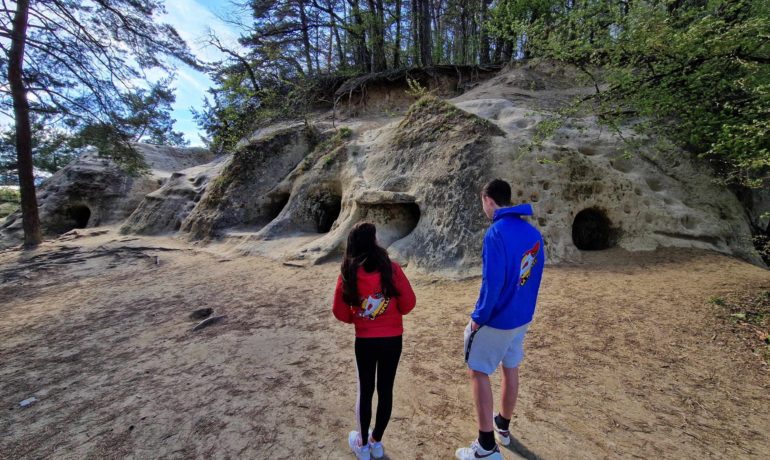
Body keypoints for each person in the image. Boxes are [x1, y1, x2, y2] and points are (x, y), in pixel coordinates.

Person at [456, 179, 545, 460]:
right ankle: (502, 427)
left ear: (489, 201)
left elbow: (491, 284)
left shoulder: (495, 232)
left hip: (498, 318)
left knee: (478, 371)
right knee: (511, 368)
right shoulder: (532, 233)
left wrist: (477, 318)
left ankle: (485, 447)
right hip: (522, 317)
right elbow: (533, 277)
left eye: (482, 202)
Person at [332, 222, 416, 460]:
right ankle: (376, 441)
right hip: (392, 339)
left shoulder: (348, 273)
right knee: (386, 390)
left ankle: (362, 444)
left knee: (365, 390)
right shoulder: (392, 269)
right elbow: (409, 304)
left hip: (365, 340)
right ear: (374, 241)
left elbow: (339, 311)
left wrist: (358, 319)